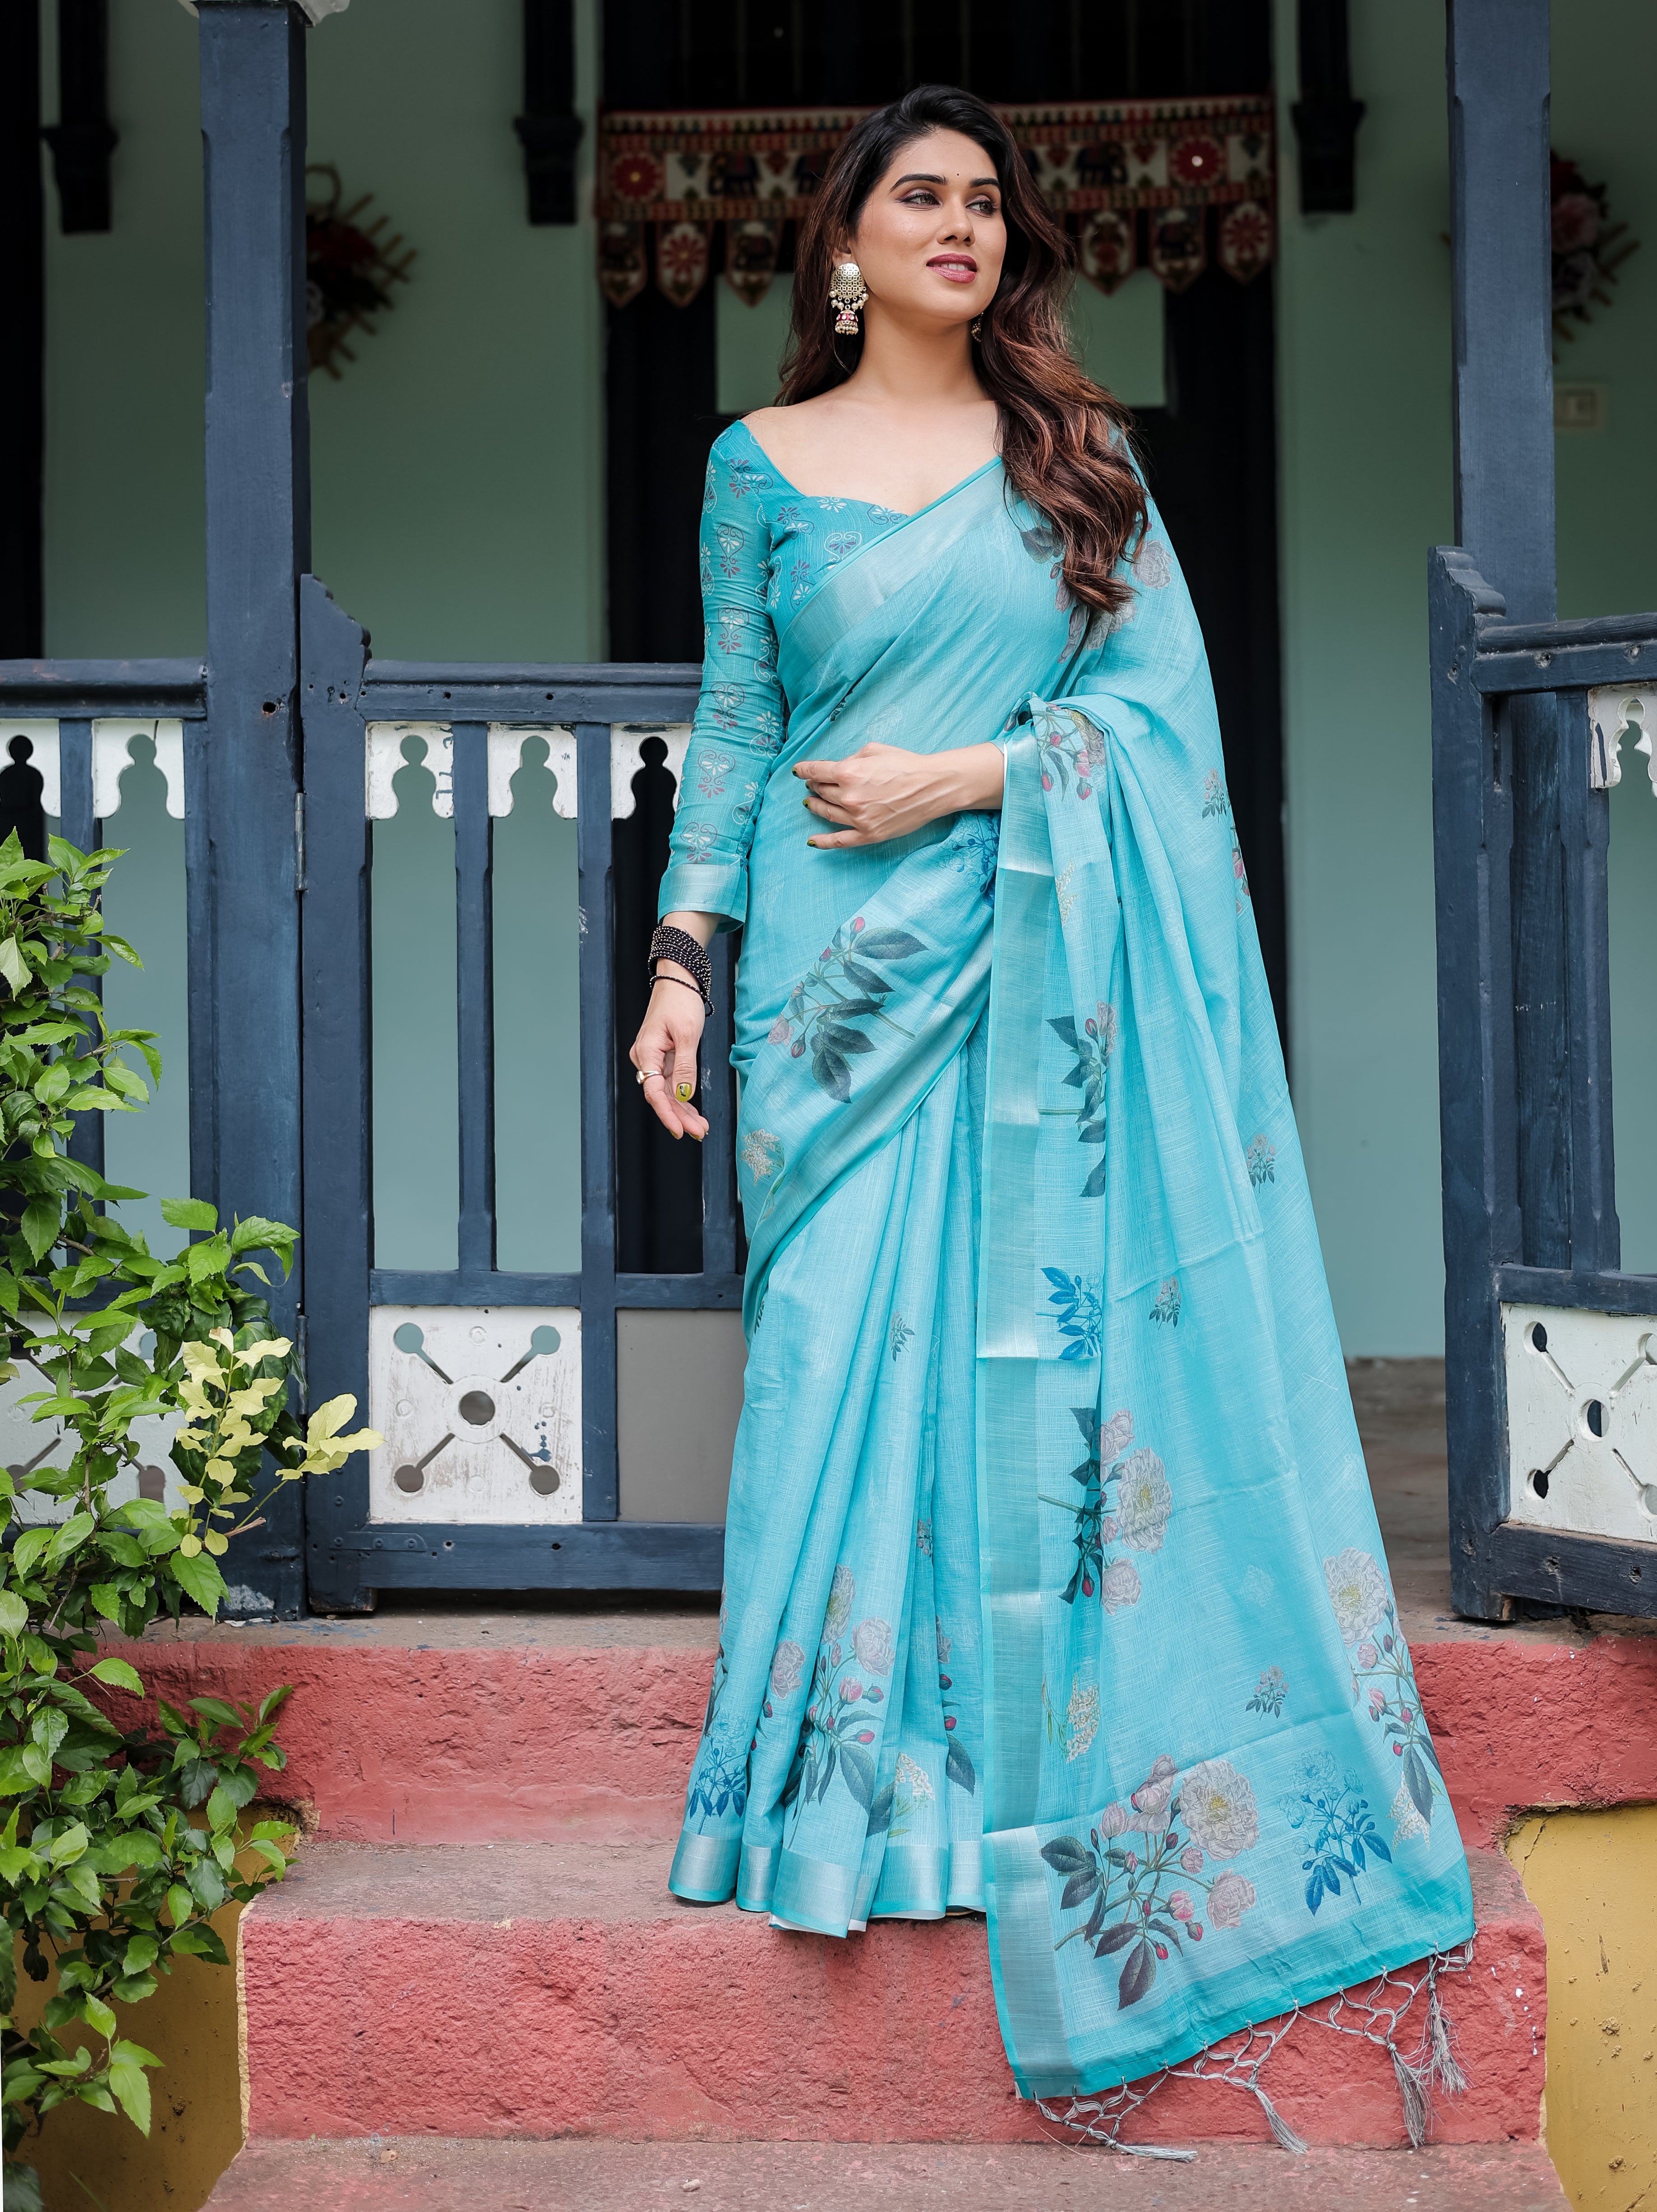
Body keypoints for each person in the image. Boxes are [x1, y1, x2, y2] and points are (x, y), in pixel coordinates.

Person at [628, 83, 1473, 2105]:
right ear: (841, 242)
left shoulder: (1074, 462)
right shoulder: (759, 467)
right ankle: (830, 1791)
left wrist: (968, 775)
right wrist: (681, 960)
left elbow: (1158, 731)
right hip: (832, 1007)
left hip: (1022, 960)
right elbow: (735, 735)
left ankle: (1009, 1778)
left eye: (987, 203)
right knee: (837, 1362)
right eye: (922, 197)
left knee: (1022, 1354)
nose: (962, 227)